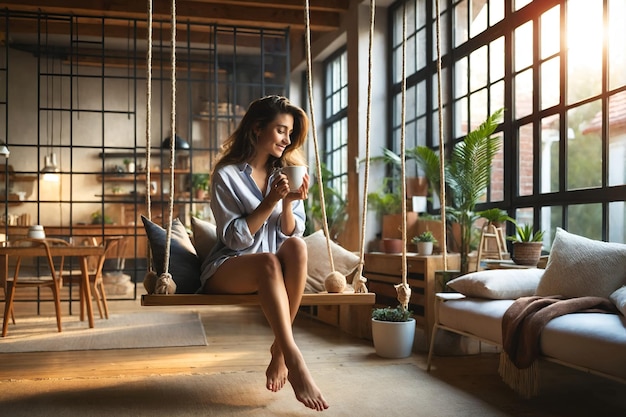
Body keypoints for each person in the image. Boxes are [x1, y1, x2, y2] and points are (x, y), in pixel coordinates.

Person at [200, 95, 328, 412]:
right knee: (268, 261)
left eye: (290, 133)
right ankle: (293, 355)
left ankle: (280, 351)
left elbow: (290, 232)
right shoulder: (226, 175)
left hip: (271, 269)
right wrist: (269, 201)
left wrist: (287, 201)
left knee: (298, 246)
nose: (287, 140)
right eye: (281, 130)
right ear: (258, 129)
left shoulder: (285, 174)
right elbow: (234, 239)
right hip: (229, 267)